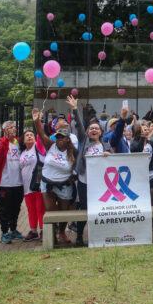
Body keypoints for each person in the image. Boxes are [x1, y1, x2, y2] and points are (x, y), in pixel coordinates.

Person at [70, 96, 124, 246]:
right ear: (87, 132)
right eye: (91, 128)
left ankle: (102, 236)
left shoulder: (106, 146)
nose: (94, 130)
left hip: (102, 185)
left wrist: (108, 156)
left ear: (101, 132)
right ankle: (80, 236)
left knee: (102, 209)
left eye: (96, 129)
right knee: (85, 209)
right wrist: (75, 109)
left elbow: (113, 163)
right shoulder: (84, 140)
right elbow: (80, 126)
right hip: (85, 182)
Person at [32, 108, 77, 244]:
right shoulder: (51, 145)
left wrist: (73, 178)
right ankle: (51, 235)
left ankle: (62, 233)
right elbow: (41, 134)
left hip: (64, 185)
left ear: (68, 139)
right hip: (48, 183)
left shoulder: (73, 151)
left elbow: (81, 165)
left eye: (63, 137)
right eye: (58, 137)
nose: (60, 139)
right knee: (50, 211)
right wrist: (37, 122)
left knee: (63, 212)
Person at [0, 120, 25, 244]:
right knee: (5, 209)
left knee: (16, 208)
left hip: (18, 182)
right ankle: (4, 232)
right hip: (4, 183)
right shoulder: (0, 142)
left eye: (14, 127)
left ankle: (14, 229)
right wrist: (6, 139)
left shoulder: (18, 142)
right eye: (10, 127)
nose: (13, 129)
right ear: (4, 130)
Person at [18, 129, 44, 241]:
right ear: (23, 140)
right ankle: (33, 231)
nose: (29, 137)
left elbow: (41, 136)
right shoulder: (22, 153)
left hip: (37, 184)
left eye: (31, 135)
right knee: (31, 209)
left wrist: (38, 121)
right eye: (27, 135)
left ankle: (43, 230)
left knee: (40, 208)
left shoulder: (37, 148)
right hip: (26, 186)